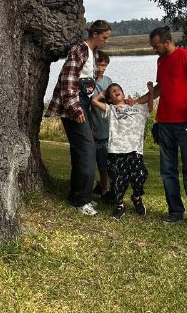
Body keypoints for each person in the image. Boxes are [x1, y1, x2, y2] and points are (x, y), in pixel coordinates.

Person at [137, 26, 187, 225]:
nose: (154, 50)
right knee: (168, 171)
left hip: (186, 124)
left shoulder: (185, 56)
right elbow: (159, 89)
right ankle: (175, 211)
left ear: (167, 42)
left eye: (156, 46)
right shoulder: (161, 61)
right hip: (164, 123)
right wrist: (137, 101)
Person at [46, 20, 112, 216]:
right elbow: (68, 80)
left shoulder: (94, 54)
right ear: (95, 34)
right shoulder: (80, 50)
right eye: (105, 37)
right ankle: (81, 200)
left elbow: (88, 87)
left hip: (83, 105)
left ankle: (78, 195)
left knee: (81, 151)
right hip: (73, 107)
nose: (107, 41)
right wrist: (76, 109)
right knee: (87, 151)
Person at [91, 82, 154, 220]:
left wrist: (151, 91)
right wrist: (101, 95)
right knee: (118, 179)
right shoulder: (111, 109)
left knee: (141, 175)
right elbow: (94, 101)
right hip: (116, 150)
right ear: (109, 98)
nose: (116, 91)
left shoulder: (136, 106)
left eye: (118, 89)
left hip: (135, 149)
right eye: (112, 91)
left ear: (123, 93)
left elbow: (149, 108)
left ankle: (136, 198)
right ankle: (120, 205)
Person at [89, 50, 112, 201]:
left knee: (108, 161)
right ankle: (104, 189)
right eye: (100, 65)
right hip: (94, 125)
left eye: (105, 65)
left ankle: (105, 187)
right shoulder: (88, 81)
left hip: (107, 126)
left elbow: (113, 100)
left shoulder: (108, 80)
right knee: (100, 162)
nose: (102, 68)